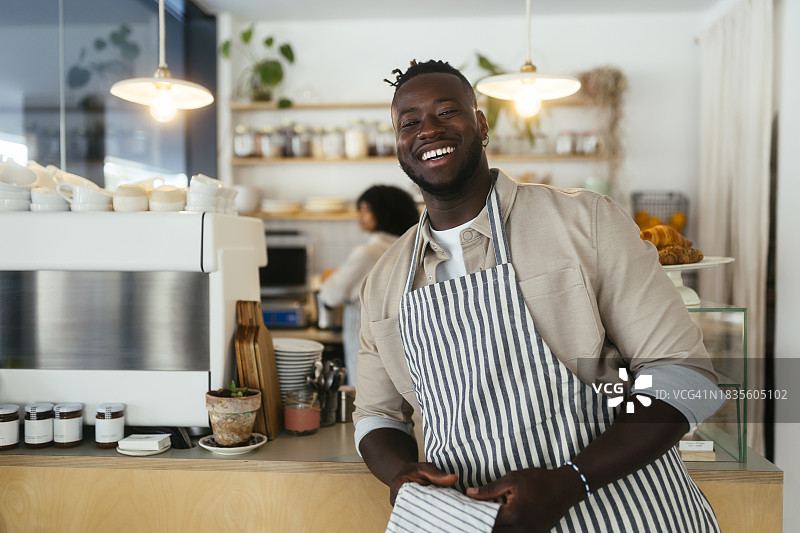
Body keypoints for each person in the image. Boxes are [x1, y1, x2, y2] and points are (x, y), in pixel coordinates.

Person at [353, 59, 724, 532]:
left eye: (446, 112)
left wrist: (571, 482)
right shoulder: (383, 280)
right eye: (409, 123)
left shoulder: (586, 221)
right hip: (479, 522)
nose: (428, 129)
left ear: (481, 125)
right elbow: (376, 416)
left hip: (626, 514)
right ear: (398, 144)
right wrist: (399, 473)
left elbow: (683, 376)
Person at [318, 185, 419, 385]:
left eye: (366, 209)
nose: (360, 215)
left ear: (384, 213)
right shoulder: (410, 248)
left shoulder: (368, 252)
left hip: (367, 343)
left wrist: (329, 277)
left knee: (367, 393)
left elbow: (330, 295)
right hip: (402, 344)